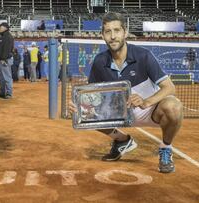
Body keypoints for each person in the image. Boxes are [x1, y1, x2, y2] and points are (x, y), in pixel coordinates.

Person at [69, 12, 183, 173]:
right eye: (108, 31)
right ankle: (122, 140)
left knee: (174, 107)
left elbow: (170, 87)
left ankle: (165, 147)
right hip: (119, 114)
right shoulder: (100, 61)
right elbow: (91, 96)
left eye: (117, 30)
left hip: (149, 112)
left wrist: (146, 101)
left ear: (125, 32)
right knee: (83, 114)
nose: (113, 36)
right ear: (102, 35)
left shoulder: (143, 55)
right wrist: (79, 105)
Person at [0, 22, 14, 99]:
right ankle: (2, 92)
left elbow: (7, 49)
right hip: (0, 60)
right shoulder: (1, 36)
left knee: (7, 77)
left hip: (5, 60)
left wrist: (4, 59)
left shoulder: (8, 37)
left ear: (5, 28)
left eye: (0, 27)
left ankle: (9, 93)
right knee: (1, 77)